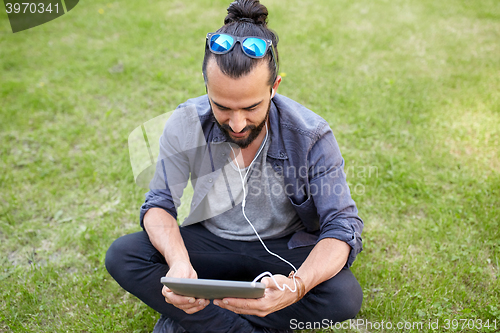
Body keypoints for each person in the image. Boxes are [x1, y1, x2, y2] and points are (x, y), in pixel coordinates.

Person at [105, 0, 363, 332]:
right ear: (207, 88)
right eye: (222, 106)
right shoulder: (186, 122)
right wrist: (179, 263)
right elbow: (159, 204)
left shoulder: (311, 135)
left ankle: (195, 319)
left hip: (282, 250)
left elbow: (341, 227)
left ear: (275, 87)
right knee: (124, 255)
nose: (237, 123)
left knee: (342, 295)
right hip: (211, 244)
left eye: (251, 107)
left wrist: (295, 287)